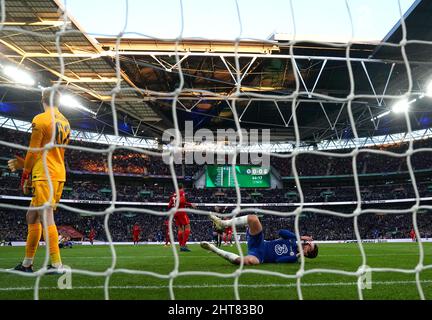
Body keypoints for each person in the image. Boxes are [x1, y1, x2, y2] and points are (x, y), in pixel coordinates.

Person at [8, 89, 70, 273]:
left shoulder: (41, 119)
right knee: (32, 216)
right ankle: (27, 264)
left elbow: (33, 151)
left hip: (45, 174)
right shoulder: (66, 122)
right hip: (57, 172)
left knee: (46, 216)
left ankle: (57, 264)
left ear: (42, 99)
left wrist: (25, 172)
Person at [201, 214, 318, 265]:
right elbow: (281, 232)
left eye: (309, 245)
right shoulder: (293, 240)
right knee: (254, 219)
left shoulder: (294, 258)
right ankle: (223, 223)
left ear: (309, 252)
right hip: (261, 243)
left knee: (248, 262)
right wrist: (300, 236)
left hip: (259, 256)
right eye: (308, 242)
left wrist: (298, 255)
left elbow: (279, 261)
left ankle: (214, 249)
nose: (307, 243)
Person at [167, 183, 196, 252]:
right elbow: (182, 201)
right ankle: (183, 245)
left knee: (180, 229)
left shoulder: (174, 194)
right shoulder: (181, 192)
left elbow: (169, 206)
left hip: (175, 213)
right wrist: (190, 204)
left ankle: (181, 245)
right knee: (187, 227)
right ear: (182, 187)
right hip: (181, 212)